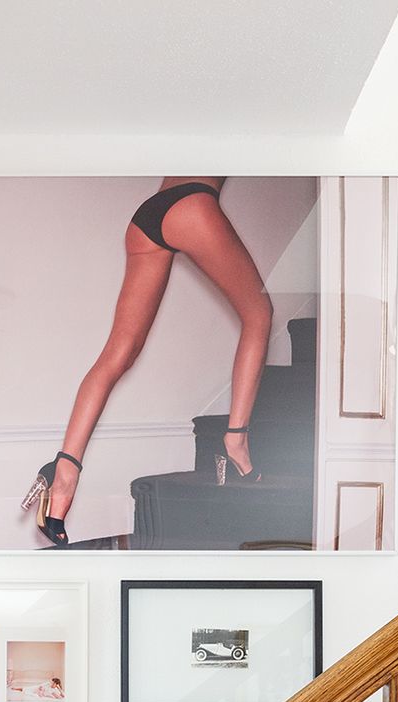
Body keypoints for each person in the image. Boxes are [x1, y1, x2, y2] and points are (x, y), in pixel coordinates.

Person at [20, 176, 273, 547]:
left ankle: (65, 470)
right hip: (193, 205)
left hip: (148, 216)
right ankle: (236, 441)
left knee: (118, 353)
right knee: (260, 313)